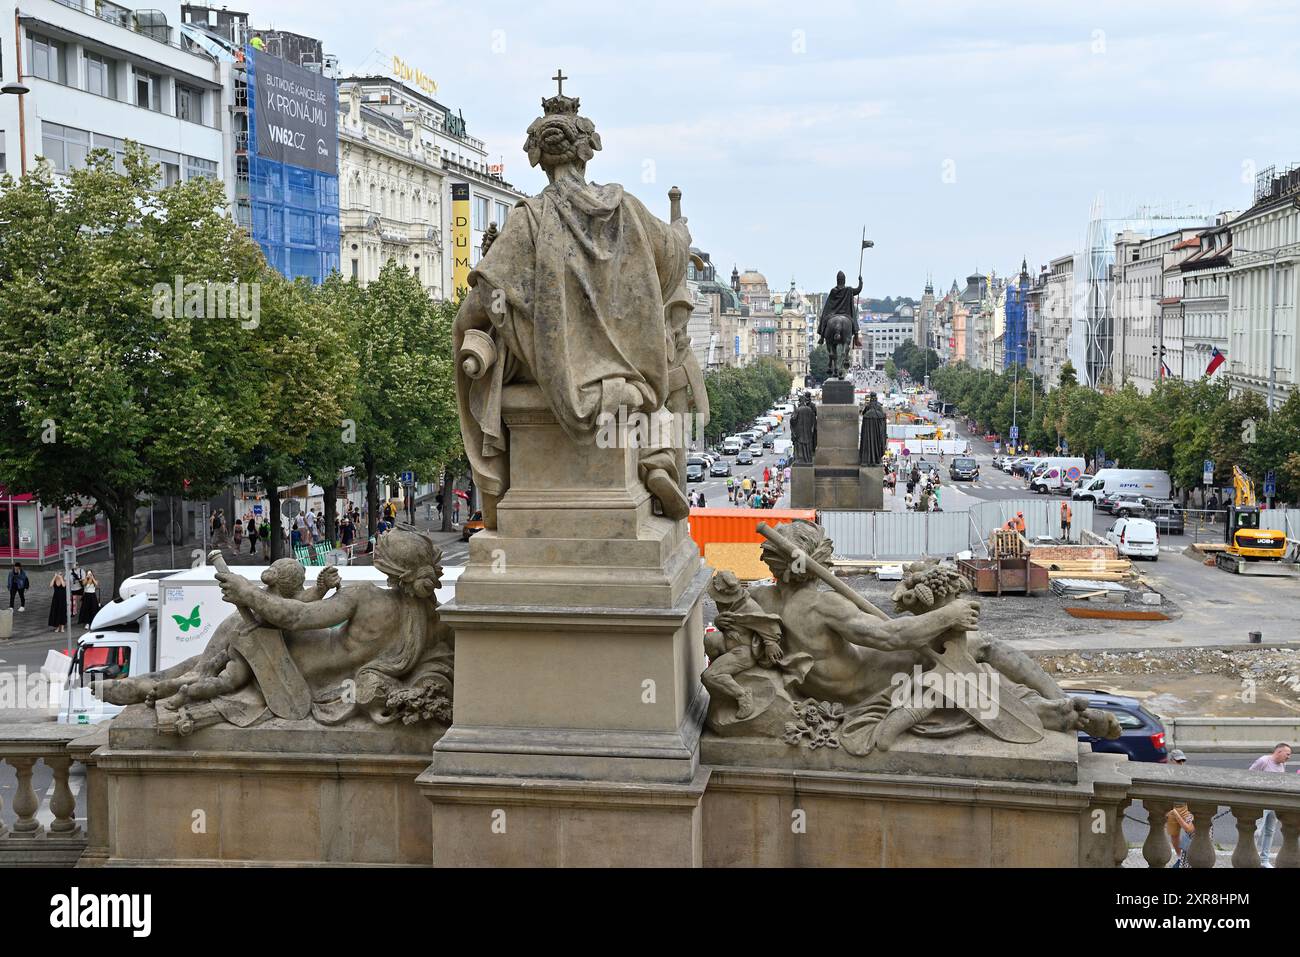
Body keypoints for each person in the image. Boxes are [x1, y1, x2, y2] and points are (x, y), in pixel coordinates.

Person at [1250, 743, 1291, 867]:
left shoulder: (1283, 764)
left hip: (1275, 802)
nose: (1289, 757)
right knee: (1257, 831)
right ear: (1278, 752)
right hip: (1262, 802)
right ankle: (1251, 858)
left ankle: (1264, 860)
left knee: (1270, 831)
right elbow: (1249, 775)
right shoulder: (1264, 761)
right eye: (1287, 754)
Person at [1165, 750, 1194, 867]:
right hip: (1171, 808)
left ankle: (1188, 857)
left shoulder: (1186, 773)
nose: (1181, 763)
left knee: (1190, 833)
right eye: (1178, 761)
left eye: (1183, 761)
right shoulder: (1166, 773)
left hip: (1184, 806)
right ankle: (1179, 858)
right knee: (1174, 835)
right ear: (1171, 761)